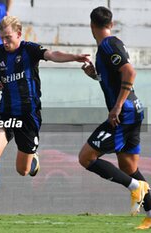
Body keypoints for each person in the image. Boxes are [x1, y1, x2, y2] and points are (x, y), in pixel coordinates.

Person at [0, 15, 90, 217]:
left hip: (29, 115)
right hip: (6, 112)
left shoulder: (30, 49)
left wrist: (74, 57)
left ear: (19, 34)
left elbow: (53, 55)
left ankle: (32, 158)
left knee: (23, 170)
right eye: (2, 38)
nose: (5, 42)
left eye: (9, 37)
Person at [79, 6, 151, 229]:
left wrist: (117, 107)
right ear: (110, 23)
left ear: (92, 26)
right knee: (128, 166)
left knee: (86, 157)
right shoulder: (106, 48)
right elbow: (114, 77)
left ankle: (135, 188)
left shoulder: (109, 45)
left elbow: (130, 72)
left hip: (125, 112)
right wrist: (95, 76)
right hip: (134, 109)